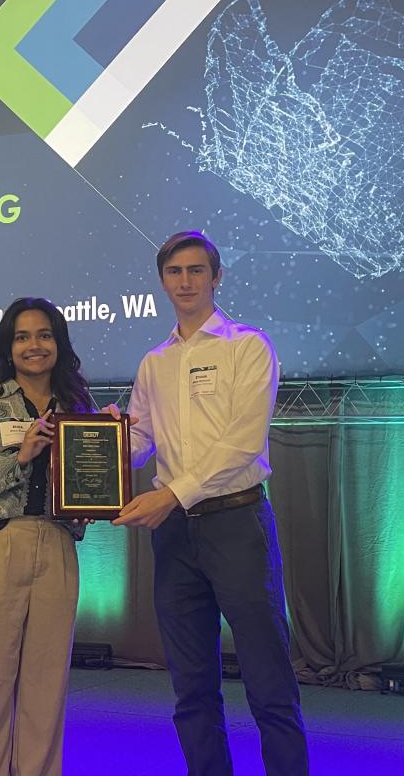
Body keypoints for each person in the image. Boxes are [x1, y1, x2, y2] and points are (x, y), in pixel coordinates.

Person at [112, 231, 308, 775]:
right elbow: (141, 441)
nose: (185, 281)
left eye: (196, 271)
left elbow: (243, 442)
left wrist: (170, 494)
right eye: (175, 272)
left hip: (237, 523)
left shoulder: (247, 346)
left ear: (216, 277)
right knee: (191, 687)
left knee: (269, 682)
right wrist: (101, 442)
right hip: (175, 536)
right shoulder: (154, 362)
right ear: (162, 281)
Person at [0, 297, 92, 776]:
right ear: (9, 348)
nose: (35, 345)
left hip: (57, 547)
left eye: (45, 335)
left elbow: (91, 483)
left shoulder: (77, 407)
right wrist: (19, 457)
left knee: (46, 692)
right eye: (23, 336)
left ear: (59, 343)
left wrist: (102, 476)